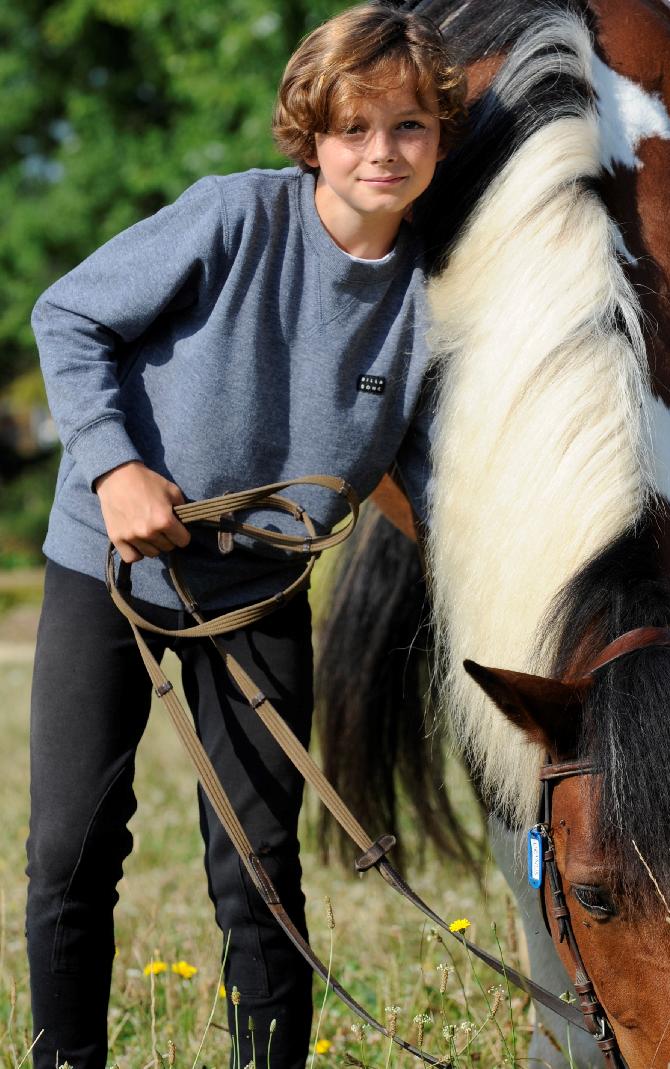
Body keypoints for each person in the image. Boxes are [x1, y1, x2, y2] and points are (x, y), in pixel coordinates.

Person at [27, 5, 467, 1067]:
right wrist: (116, 462)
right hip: (113, 560)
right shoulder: (234, 217)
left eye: (408, 127)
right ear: (311, 134)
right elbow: (67, 314)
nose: (381, 152)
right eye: (354, 128)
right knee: (71, 848)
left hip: (261, 590)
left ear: (439, 139)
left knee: (261, 865)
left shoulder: (439, 300)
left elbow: (441, 478)